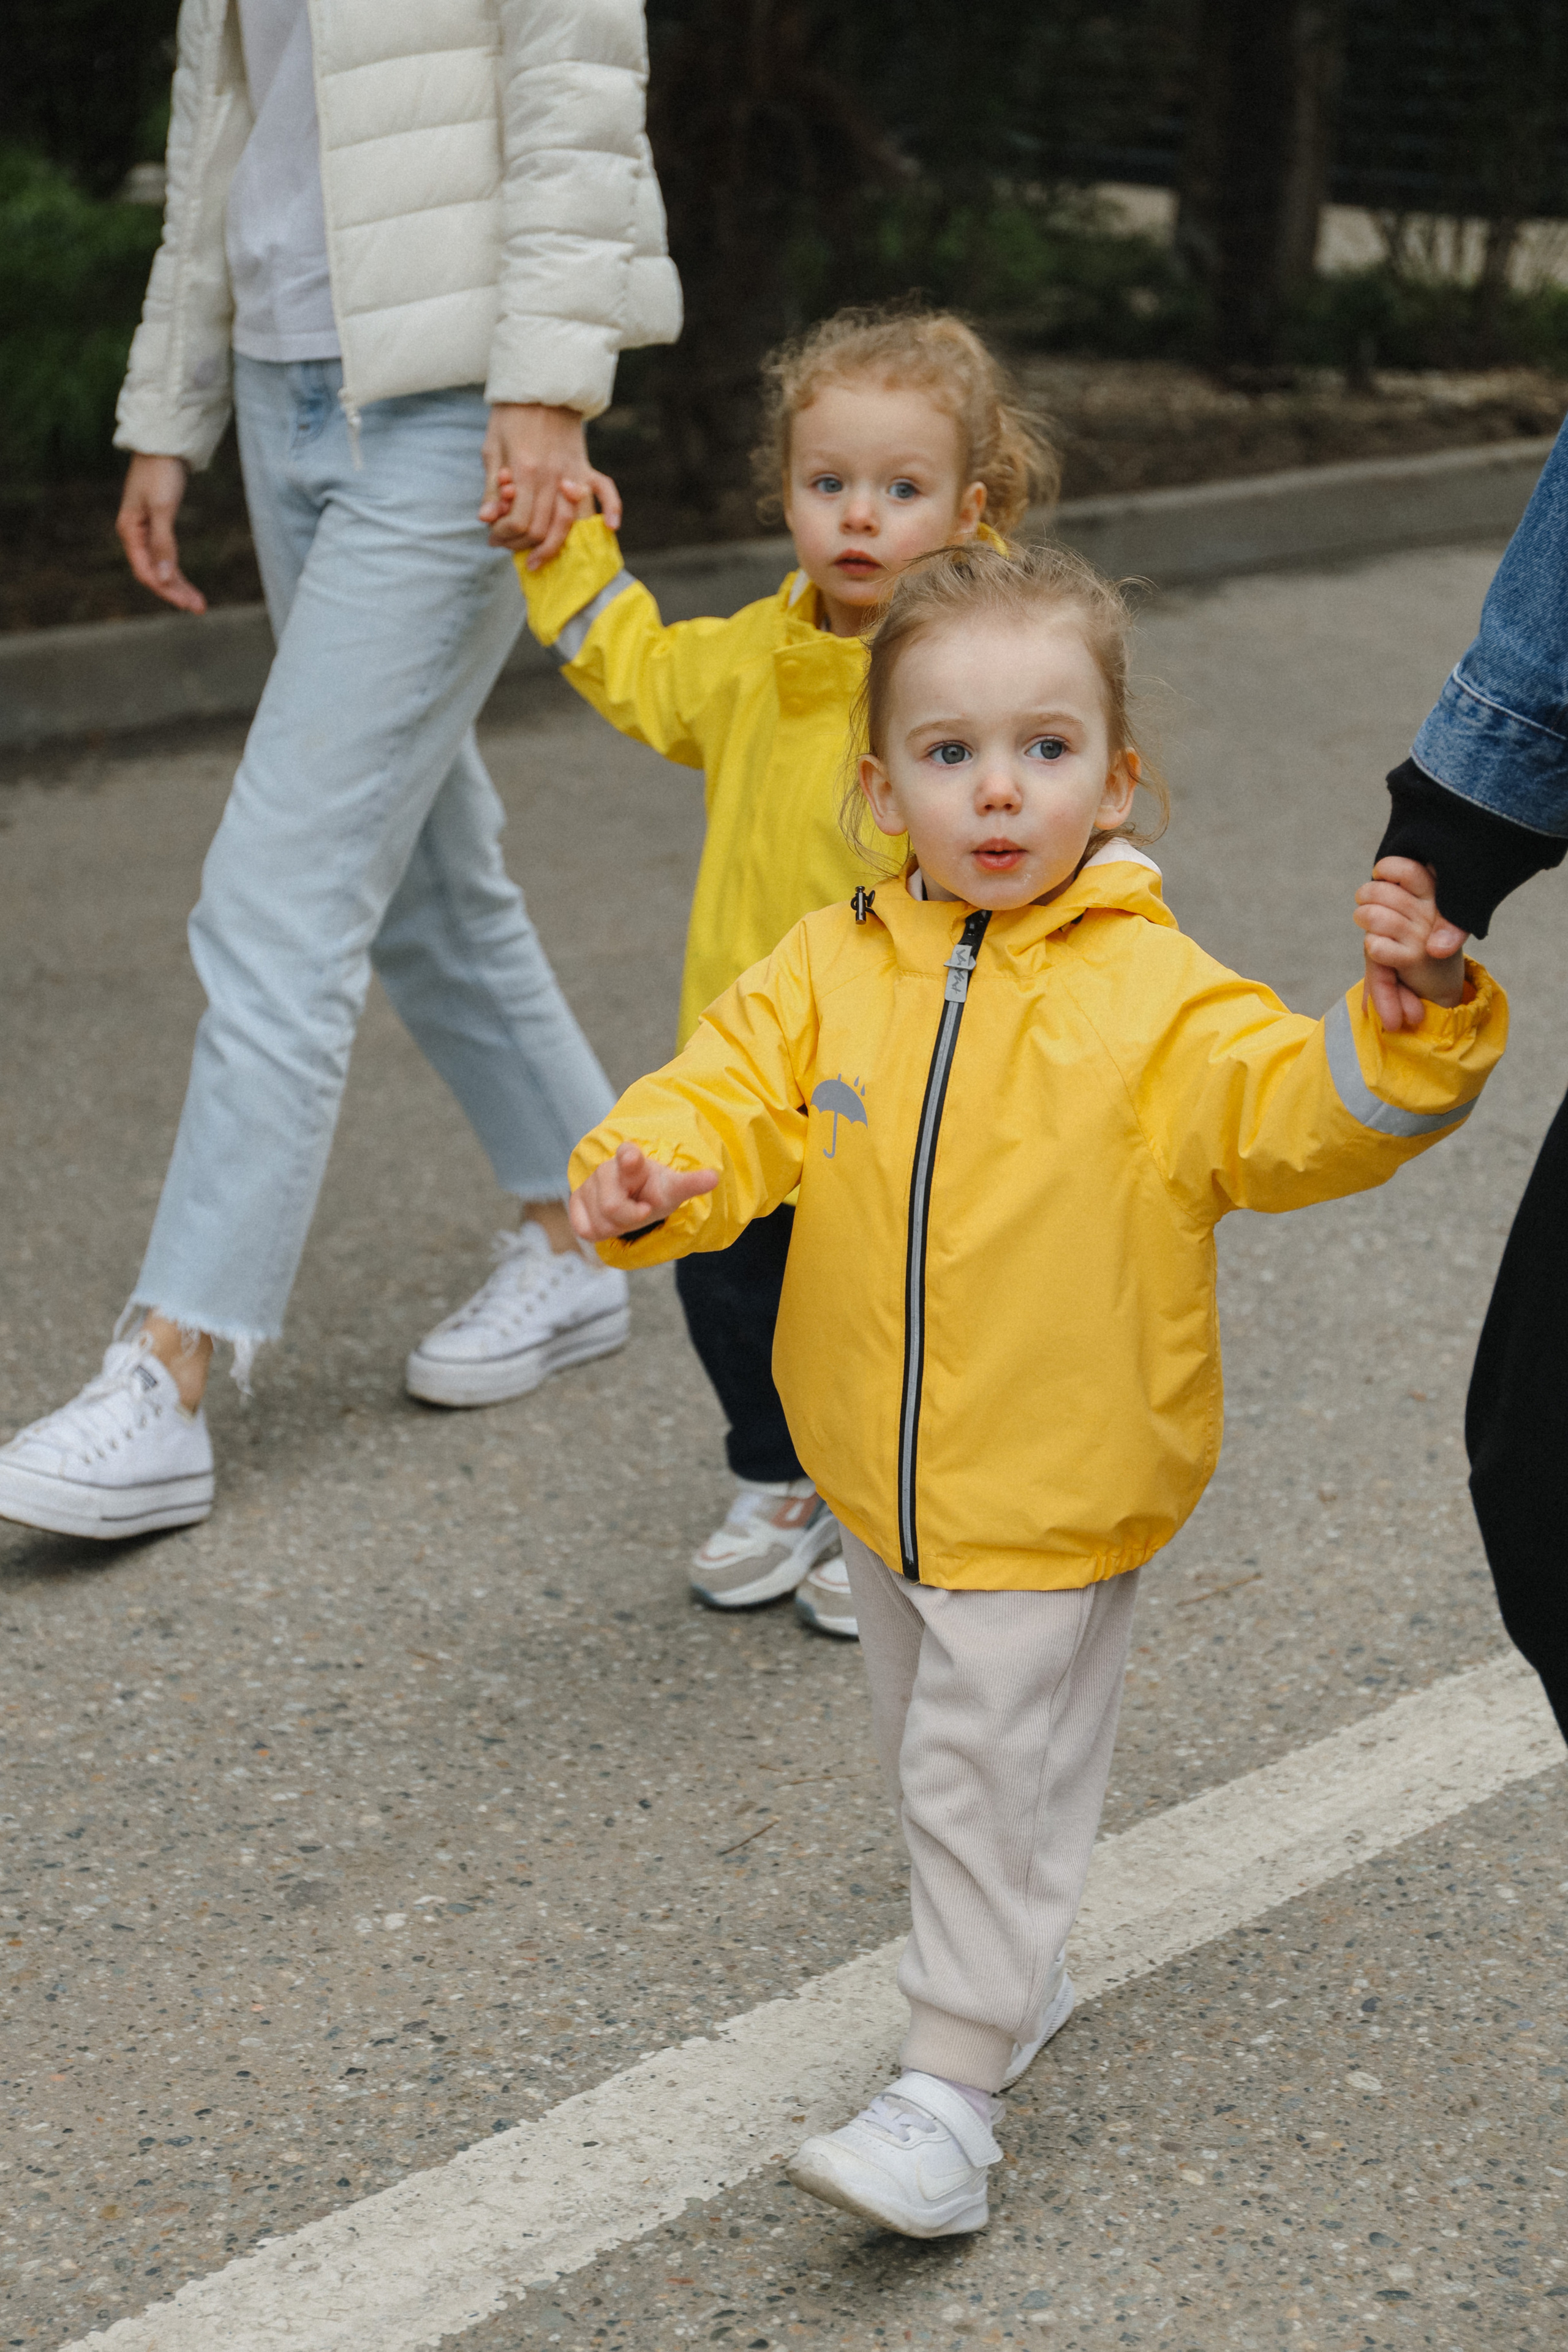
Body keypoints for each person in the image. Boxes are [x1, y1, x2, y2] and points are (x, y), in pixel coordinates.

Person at [567, 541, 1506, 2237]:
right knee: (943, 1752)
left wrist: (1407, 1025)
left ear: (1117, 776)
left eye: (1046, 748)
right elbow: (723, 1099)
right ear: (880, 784)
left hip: (1060, 1476)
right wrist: (649, 1171)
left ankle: (949, 2094)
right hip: (880, 1472)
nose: (998, 790)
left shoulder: (1155, 997)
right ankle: (1016, 1976)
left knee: (974, 1771)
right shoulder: (830, 964)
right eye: (949, 753)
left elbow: (1296, 1114)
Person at [0, 0, 680, 1544]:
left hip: (458, 407)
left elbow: (574, 73)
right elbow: (222, 123)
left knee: (280, 889)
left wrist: (549, 382)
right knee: (424, 873)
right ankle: (583, 1233)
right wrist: (168, 410)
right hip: (284, 375)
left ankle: (169, 1372)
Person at [513, 307, 1056, 1637]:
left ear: (969, 510)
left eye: (900, 490)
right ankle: (777, 1474)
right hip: (749, 1073)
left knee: (893, 1300)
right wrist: (563, 541)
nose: (858, 518)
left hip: (909, 1072)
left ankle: (886, 1507)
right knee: (727, 1280)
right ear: (788, 495)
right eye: (828, 487)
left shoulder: (967, 678)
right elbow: (629, 664)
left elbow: (1040, 813)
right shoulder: (754, 662)